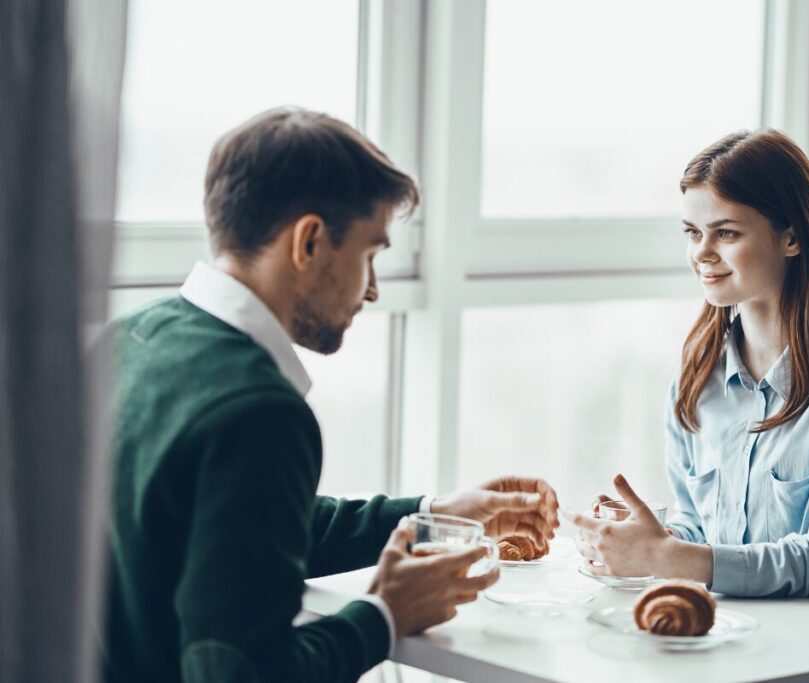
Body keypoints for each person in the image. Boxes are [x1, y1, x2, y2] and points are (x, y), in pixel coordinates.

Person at [101, 107, 559, 683]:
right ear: (310, 241)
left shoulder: (128, 339)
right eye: (370, 253)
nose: (372, 290)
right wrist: (385, 614)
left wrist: (429, 517)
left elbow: (241, 533)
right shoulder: (258, 411)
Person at [571, 129, 809, 609]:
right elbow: (701, 531)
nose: (702, 253)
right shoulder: (696, 376)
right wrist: (648, 540)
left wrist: (670, 556)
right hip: (735, 644)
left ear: (792, 236)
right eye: (693, 233)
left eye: (726, 232)